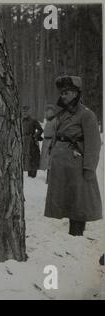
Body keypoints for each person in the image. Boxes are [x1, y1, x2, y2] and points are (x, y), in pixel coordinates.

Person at [44, 75, 102, 236]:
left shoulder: (87, 115)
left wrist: (89, 168)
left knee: (79, 201)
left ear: (76, 93)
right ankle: (72, 234)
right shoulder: (61, 114)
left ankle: (77, 233)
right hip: (62, 164)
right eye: (62, 93)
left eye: (67, 92)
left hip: (76, 164)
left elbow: (94, 144)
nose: (63, 96)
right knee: (66, 200)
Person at [21, 105, 43, 178]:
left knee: (32, 156)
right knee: (24, 156)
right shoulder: (21, 120)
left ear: (29, 112)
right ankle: (26, 171)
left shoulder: (33, 120)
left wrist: (35, 137)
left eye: (27, 111)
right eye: (24, 111)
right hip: (23, 140)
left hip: (31, 141)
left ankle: (32, 174)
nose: (25, 113)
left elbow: (40, 129)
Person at [39, 104, 57, 176]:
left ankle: (50, 177)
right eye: (46, 112)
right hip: (46, 142)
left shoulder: (55, 121)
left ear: (52, 112)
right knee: (46, 160)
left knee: (51, 161)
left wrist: (52, 144)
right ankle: (48, 175)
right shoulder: (49, 121)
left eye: (48, 112)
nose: (46, 113)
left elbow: (56, 133)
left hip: (51, 142)